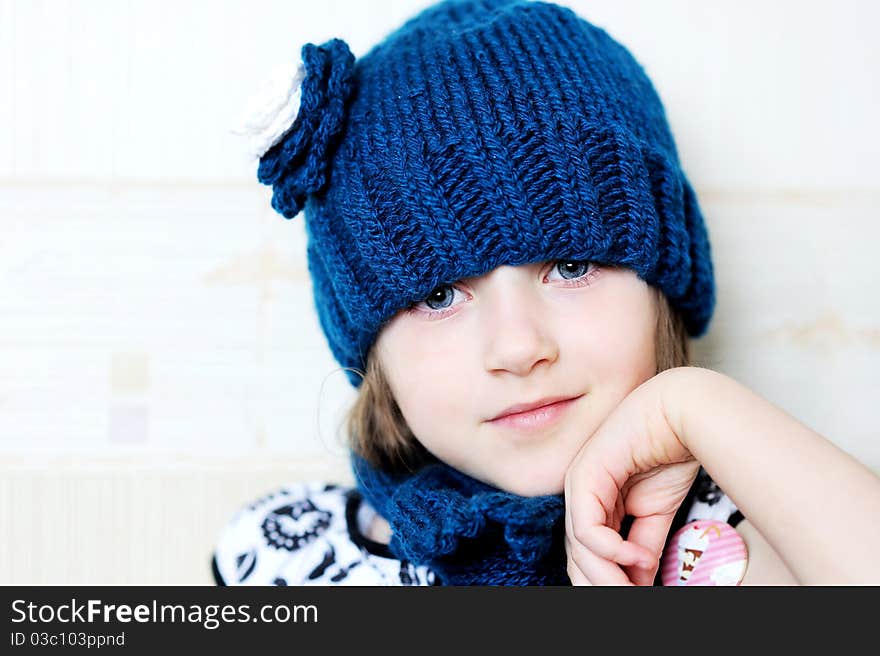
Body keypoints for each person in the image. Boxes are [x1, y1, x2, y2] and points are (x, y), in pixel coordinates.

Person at [212, 0, 880, 586]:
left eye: (570, 265)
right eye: (440, 295)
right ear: (369, 345)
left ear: (661, 290)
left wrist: (694, 404)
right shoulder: (284, 556)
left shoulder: (757, 533)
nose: (518, 347)